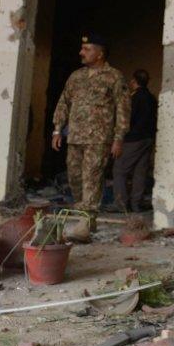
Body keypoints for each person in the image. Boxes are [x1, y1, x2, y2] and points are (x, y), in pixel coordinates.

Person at [52, 34, 130, 219]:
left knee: (92, 178)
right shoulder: (76, 76)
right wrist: (57, 129)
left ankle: (86, 221)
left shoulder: (114, 77)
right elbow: (64, 102)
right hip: (75, 136)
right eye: (82, 48)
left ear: (100, 53)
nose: (81, 53)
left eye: (87, 49)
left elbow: (123, 109)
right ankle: (83, 213)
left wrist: (119, 138)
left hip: (99, 139)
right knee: (75, 177)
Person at [112, 69, 157, 213]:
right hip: (148, 138)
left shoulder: (134, 98)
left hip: (133, 139)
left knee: (119, 170)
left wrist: (119, 138)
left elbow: (127, 119)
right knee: (140, 172)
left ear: (134, 81)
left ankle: (121, 205)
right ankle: (136, 204)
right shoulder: (151, 97)